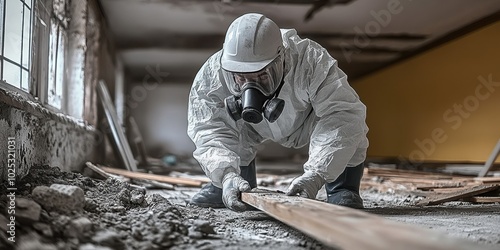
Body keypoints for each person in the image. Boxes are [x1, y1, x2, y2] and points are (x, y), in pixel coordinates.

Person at [187, 13, 368, 212]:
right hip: (251, 127)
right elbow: (208, 127)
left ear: (281, 59)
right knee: (226, 125)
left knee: (350, 123)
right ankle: (231, 184)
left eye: (262, 75)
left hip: (306, 122)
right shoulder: (213, 74)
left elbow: (342, 116)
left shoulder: (309, 60)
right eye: (241, 78)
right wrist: (226, 175)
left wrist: (316, 175)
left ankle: (342, 187)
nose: (251, 88)